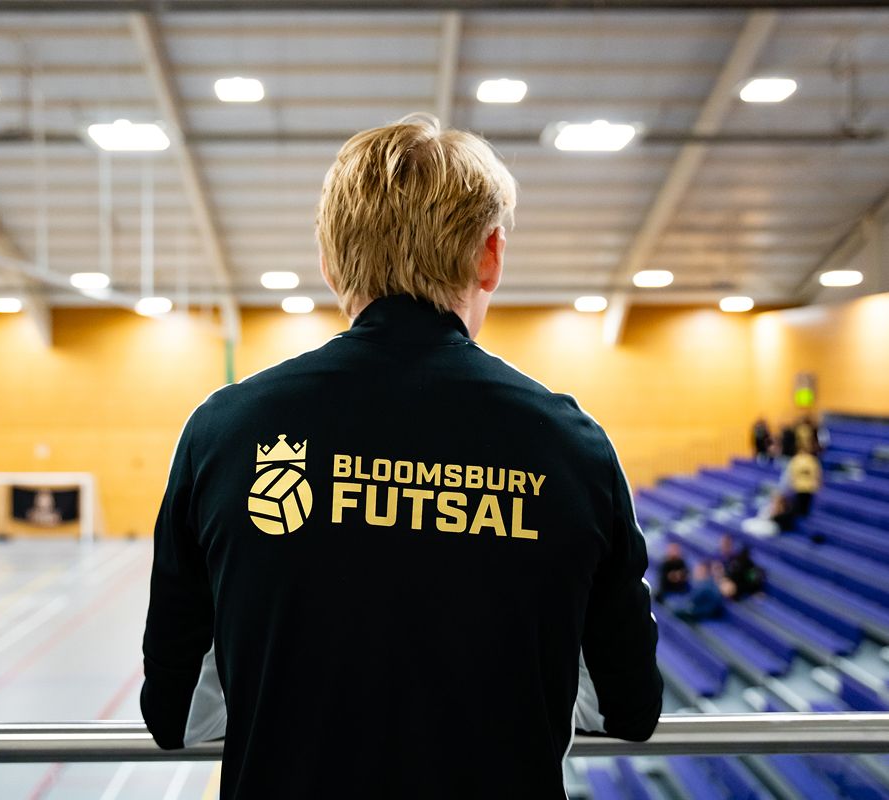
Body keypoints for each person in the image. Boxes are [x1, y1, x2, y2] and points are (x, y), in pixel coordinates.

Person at [140, 114, 662, 800]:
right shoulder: (573, 446)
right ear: (491, 256)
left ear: (329, 262)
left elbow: (177, 714)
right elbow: (627, 708)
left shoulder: (225, 432)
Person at [717, 534, 765, 599]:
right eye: (722, 544)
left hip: (739, 586)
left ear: (731, 545)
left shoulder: (741, 560)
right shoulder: (722, 558)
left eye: (726, 544)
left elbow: (754, 575)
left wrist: (755, 590)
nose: (723, 547)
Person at [785, 443, 822, 518]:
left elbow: (816, 473)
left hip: (806, 486)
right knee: (800, 504)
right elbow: (792, 472)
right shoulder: (798, 459)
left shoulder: (810, 460)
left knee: (805, 504)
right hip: (801, 486)